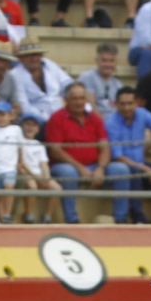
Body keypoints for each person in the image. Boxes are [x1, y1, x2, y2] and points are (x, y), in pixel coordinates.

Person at [46, 80, 124, 224]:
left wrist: (100, 169)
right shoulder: (57, 118)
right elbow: (56, 151)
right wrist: (80, 168)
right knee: (68, 173)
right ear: (66, 100)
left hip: (95, 165)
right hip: (65, 166)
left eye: (82, 98)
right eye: (74, 98)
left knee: (121, 169)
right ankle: (72, 219)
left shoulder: (95, 118)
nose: (79, 102)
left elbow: (105, 147)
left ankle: (121, 218)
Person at [104, 85, 151, 223]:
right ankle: (138, 219)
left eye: (130, 103)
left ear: (136, 103)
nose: (126, 108)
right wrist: (147, 169)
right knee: (135, 172)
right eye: (123, 104)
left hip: (141, 163)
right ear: (116, 104)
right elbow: (118, 156)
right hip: (123, 165)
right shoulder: (111, 122)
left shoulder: (142, 113)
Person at [15, 109, 59, 222]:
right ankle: (28, 214)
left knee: (57, 189)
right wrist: (36, 177)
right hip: (26, 172)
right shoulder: (18, 142)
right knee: (32, 186)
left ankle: (47, 216)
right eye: (27, 124)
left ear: (38, 129)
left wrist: (46, 177)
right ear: (21, 126)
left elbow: (43, 163)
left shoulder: (39, 145)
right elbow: (22, 163)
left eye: (34, 125)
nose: (30, 128)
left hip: (38, 174)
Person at [10, 39, 70, 121]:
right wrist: (47, 119)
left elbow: (67, 85)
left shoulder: (50, 65)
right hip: (34, 120)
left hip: (61, 114)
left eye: (36, 54)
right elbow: (24, 106)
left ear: (41, 55)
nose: (33, 58)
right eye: (28, 55)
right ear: (21, 58)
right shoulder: (14, 75)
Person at [78, 42, 122, 115]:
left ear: (116, 62)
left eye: (111, 61)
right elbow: (91, 106)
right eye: (104, 60)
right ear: (97, 60)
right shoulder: (87, 77)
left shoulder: (118, 84)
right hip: (93, 122)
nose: (108, 64)